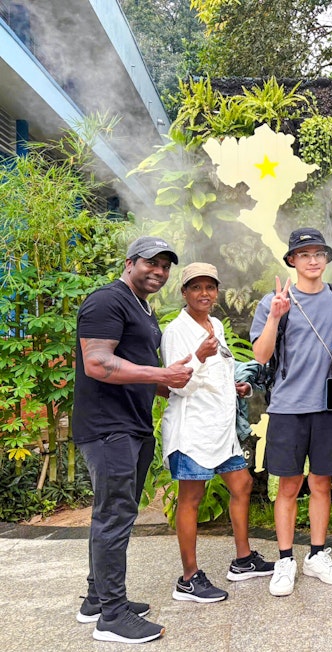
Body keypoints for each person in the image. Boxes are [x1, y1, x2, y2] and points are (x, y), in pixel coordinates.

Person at [73, 236, 193, 643]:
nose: (159, 272)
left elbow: (138, 367)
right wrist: (161, 376)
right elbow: (98, 362)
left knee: (113, 514)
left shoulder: (140, 308)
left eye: (165, 266)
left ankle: (96, 599)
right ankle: (112, 616)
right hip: (110, 427)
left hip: (132, 425)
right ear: (130, 263)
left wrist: (176, 384)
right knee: (114, 517)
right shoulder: (108, 301)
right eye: (151, 263)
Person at [161, 263, 275, 604]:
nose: (204, 293)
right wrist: (197, 356)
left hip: (220, 430)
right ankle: (188, 578)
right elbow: (175, 383)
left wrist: (236, 387)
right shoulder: (175, 332)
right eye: (196, 287)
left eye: (210, 287)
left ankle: (242, 560)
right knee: (191, 499)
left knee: (241, 484)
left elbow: (217, 371)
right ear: (184, 292)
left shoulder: (215, 325)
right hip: (192, 431)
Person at [250, 228, 332, 597]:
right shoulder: (273, 301)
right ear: (292, 260)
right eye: (304, 254)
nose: (312, 259)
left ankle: (318, 554)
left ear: (326, 259)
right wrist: (276, 316)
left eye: (319, 253)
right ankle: (285, 559)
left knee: (322, 482)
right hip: (288, 407)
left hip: (329, 407)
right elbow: (261, 356)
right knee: (289, 485)